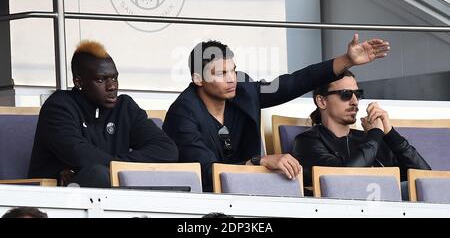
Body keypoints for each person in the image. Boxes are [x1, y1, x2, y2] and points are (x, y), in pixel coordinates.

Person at [163, 34, 390, 191]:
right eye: (221, 73)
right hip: (203, 204)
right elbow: (206, 172)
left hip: (249, 193)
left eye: (233, 70)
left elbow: (293, 83)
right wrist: (260, 161)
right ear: (198, 79)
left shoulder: (243, 91)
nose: (232, 78)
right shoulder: (182, 114)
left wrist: (347, 60)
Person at [28, 40, 178, 188]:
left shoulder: (125, 107)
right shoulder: (59, 107)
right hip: (56, 196)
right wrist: (124, 167)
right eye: (101, 79)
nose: (112, 86)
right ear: (78, 82)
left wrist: (118, 165)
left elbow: (167, 150)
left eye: (114, 78)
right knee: (99, 174)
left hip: (109, 189)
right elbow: (82, 157)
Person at [292, 70, 431, 193]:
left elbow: (426, 181)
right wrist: (375, 133)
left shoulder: (370, 139)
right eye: (345, 94)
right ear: (322, 101)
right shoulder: (307, 141)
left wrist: (390, 134)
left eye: (357, 94)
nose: (355, 101)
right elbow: (342, 177)